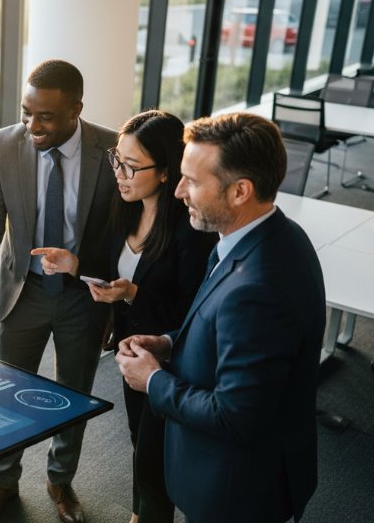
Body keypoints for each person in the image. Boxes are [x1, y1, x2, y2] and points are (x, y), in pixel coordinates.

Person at [116, 113, 325, 523]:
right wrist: (171, 341)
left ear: (240, 192)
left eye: (191, 181)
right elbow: (221, 324)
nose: (178, 192)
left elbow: (236, 415)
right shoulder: (266, 236)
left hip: (237, 489)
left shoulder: (259, 288)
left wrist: (154, 380)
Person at [0, 59, 117, 523]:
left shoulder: (109, 148)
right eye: (27, 112)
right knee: (7, 392)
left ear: (76, 111)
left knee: (74, 392)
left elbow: (118, 232)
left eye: (44, 117)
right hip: (21, 291)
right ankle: (3, 483)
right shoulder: (6, 144)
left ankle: (60, 481)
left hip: (82, 295)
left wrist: (110, 303)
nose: (32, 125)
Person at [33, 110, 217, 523]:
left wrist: (134, 294)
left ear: (167, 172)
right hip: (130, 350)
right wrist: (75, 265)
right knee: (141, 441)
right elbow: (112, 266)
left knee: (159, 449)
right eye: (118, 160)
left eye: (132, 167)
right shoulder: (125, 206)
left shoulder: (191, 231)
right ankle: (143, 512)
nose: (120, 174)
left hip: (172, 361)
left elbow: (195, 313)